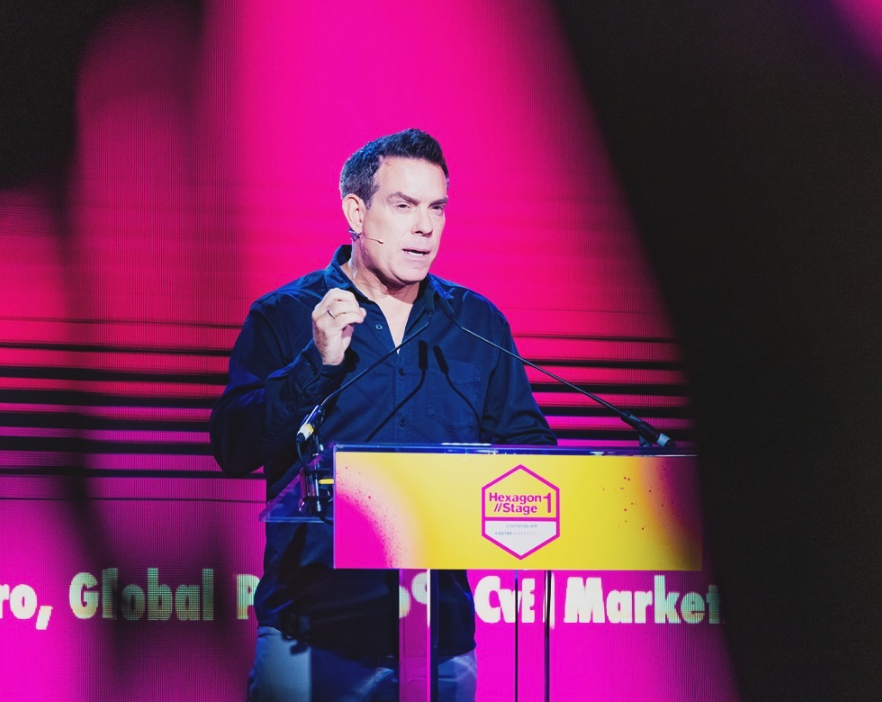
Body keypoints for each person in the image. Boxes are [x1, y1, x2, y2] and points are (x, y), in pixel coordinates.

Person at [210, 128, 556, 702]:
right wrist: (313, 363)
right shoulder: (285, 316)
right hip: (313, 635)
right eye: (403, 206)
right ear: (356, 211)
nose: (425, 226)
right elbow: (234, 445)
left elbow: (529, 449)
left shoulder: (476, 323)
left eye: (437, 208)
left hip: (439, 637)